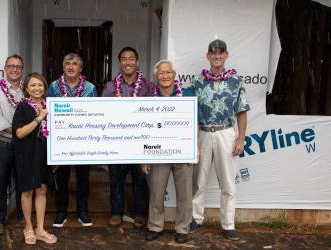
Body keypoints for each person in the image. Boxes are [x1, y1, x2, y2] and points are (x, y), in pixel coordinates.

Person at [190, 39, 250, 241]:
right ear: (208, 56)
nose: (217, 56)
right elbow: (188, 109)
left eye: (220, 53)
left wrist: (240, 139)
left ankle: (228, 224)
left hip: (226, 132)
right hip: (203, 133)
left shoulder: (236, 81)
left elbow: (242, 112)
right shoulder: (197, 82)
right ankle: (196, 218)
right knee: (198, 181)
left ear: (226, 55)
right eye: (213, 53)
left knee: (228, 183)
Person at [142, 60, 196, 243]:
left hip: (183, 151)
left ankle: (182, 228)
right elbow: (145, 128)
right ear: (155, 77)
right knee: (157, 192)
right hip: (158, 152)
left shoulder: (187, 94)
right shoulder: (149, 98)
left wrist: (194, 148)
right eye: (161, 73)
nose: (165, 76)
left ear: (174, 75)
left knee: (185, 194)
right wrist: (144, 157)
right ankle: (155, 226)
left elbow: (195, 123)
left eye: (168, 72)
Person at [101, 47, 152, 228]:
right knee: (116, 179)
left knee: (140, 180)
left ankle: (140, 214)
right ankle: (116, 212)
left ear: (137, 62)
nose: (128, 62)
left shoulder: (148, 87)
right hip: (117, 142)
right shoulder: (109, 87)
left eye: (131, 58)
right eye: (124, 59)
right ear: (119, 62)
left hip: (140, 142)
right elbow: (102, 114)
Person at [47, 53, 97, 227]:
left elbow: (95, 113)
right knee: (62, 177)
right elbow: (48, 112)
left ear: (80, 68)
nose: (70, 67)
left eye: (74, 64)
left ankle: (83, 212)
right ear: (63, 67)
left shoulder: (90, 88)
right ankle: (61, 211)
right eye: (67, 63)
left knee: (83, 176)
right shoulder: (53, 87)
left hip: (83, 140)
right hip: (61, 140)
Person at [12, 72, 57, 245]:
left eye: (40, 85)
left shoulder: (50, 105)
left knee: (42, 190)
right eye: (33, 85)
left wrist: (57, 157)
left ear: (45, 87)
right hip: (27, 155)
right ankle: (28, 228)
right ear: (26, 89)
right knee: (27, 191)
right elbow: (20, 132)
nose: (37, 88)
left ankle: (40, 229)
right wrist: (40, 117)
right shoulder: (23, 107)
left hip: (44, 155)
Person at [0, 54, 24, 235]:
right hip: (4, 143)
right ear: (5, 68)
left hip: (25, 145)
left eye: (18, 66)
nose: (14, 69)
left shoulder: (28, 88)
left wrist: (25, 132)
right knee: (1, 182)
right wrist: (18, 131)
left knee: (24, 182)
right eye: (11, 66)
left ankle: (22, 216)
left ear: (22, 70)